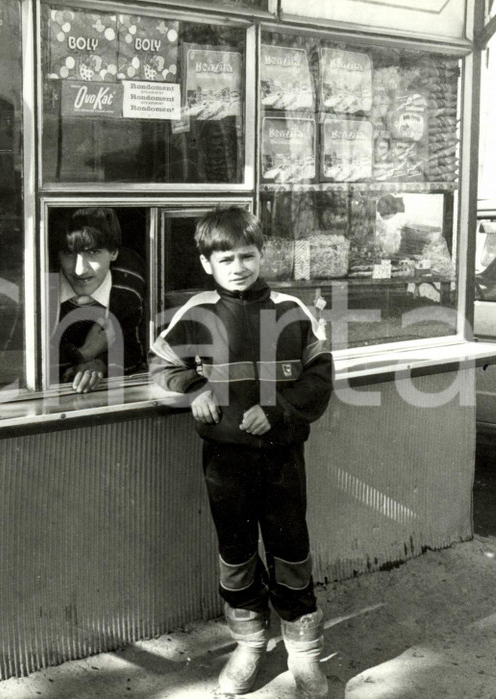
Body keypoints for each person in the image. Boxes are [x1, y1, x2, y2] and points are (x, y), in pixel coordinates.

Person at [148, 207, 333, 698]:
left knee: (290, 548)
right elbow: (161, 365)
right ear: (207, 264)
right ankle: (249, 643)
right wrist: (194, 388)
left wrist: (279, 412)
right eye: (224, 257)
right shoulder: (197, 314)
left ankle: (304, 653)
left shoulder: (293, 311)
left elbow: (319, 380)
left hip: (282, 459)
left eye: (247, 255)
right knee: (235, 550)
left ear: (262, 254)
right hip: (226, 462)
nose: (238, 266)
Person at [51, 207, 146, 393]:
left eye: (93, 253)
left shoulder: (127, 289)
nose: (80, 270)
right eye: (68, 253)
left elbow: (135, 352)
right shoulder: (41, 290)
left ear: (114, 253)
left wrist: (101, 365)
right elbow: (18, 363)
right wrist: (85, 353)